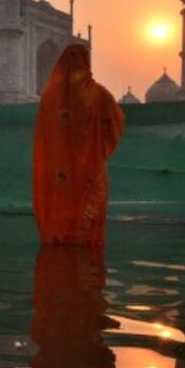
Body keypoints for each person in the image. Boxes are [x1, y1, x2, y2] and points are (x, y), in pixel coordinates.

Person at [33, 44, 125, 245]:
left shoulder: (50, 98)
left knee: (62, 213)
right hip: (91, 168)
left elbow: (44, 136)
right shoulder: (100, 95)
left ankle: (60, 262)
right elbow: (116, 126)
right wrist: (99, 149)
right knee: (88, 223)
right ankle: (84, 265)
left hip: (60, 170)